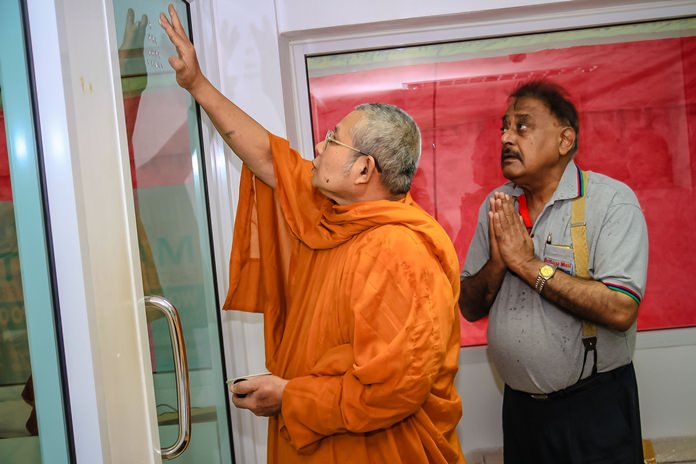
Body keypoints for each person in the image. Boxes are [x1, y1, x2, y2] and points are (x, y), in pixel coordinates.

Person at [160, 5, 465, 464]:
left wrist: (289, 396)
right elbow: (269, 159)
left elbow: (391, 393)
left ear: (363, 170)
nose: (319, 146)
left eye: (333, 139)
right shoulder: (336, 213)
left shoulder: (399, 252)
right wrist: (196, 83)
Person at [459, 79, 648, 463]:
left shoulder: (610, 202)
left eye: (522, 126)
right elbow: (469, 306)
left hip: (593, 410)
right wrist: (498, 263)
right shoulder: (497, 206)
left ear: (564, 140)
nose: (506, 138)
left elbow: (620, 309)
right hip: (521, 413)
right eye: (504, 128)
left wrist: (528, 265)